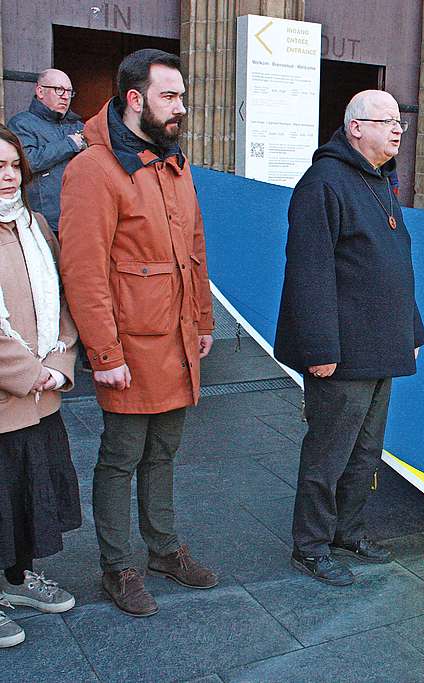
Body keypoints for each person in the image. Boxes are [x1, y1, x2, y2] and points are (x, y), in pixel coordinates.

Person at [58, 49, 217, 617]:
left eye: (181, 96)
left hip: (175, 340)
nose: (181, 108)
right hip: (128, 347)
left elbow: (193, 251)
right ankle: (117, 567)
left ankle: (164, 549)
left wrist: (202, 320)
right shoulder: (94, 170)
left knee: (164, 452)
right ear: (134, 99)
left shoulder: (174, 162)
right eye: (169, 97)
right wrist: (103, 354)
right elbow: (83, 269)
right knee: (121, 456)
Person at [275, 90, 424, 586]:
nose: (398, 129)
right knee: (329, 451)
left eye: (399, 121)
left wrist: (412, 329)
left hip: (381, 344)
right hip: (340, 353)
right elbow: (309, 273)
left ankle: (348, 530)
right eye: (386, 121)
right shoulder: (322, 184)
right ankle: (311, 545)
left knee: (365, 451)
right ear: (355, 127)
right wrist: (318, 349)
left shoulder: (379, 181)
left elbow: (394, 265)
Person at [0, 125, 80, 647]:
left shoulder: (35, 225)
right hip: (11, 394)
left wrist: (59, 361)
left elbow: (63, 302)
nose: (7, 178)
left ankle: (16, 579)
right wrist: (29, 374)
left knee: (24, 497)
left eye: (12, 167)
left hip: (41, 398)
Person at [8, 69, 86, 232]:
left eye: (69, 92)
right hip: (43, 223)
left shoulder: (78, 126)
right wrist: (70, 144)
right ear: (40, 91)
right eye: (59, 90)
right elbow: (27, 162)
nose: (65, 96)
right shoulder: (22, 124)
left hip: (79, 218)